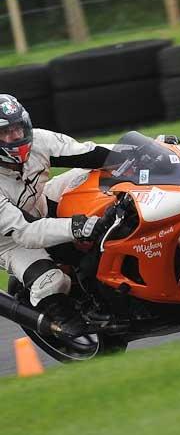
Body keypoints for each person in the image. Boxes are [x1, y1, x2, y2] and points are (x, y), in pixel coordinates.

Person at [0, 94, 168, 336]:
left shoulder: (39, 141)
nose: (15, 137)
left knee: (100, 179)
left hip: (41, 202)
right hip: (11, 240)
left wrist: (144, 152)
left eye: (17, 128)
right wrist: (80, 226)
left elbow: (89, 153)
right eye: (5, 133)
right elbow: (26, 232)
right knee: (52, 281)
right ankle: (61, 321)